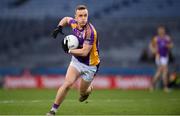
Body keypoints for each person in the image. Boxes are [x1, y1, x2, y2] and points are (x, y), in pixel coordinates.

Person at [47, 5, 100, 116]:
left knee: (82, 93)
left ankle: (89, 90)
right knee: (67, 84)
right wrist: (59, 27)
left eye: (85, 15)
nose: (83, 18)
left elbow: (85, 52)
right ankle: (53, 111)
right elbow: (66, 19)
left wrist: (69, 51)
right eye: (80, 16)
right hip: (77, 61)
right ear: (75, 17)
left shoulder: (90, 32)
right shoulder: (74, 23)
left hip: (90, 65)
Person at [149, 25, 173, 92]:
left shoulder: (167, 38)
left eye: (162, 30)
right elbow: (151, 46)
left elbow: (171, 45)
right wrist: (153, 50)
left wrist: (168, 45)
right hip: (159, 56)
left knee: (160, 72)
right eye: (160, 30)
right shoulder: (156, 38)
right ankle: (165, 87)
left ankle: (152, 85)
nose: (161, 31)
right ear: (158, 31)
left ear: (164, 31)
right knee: (164, 70)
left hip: (165, 57)